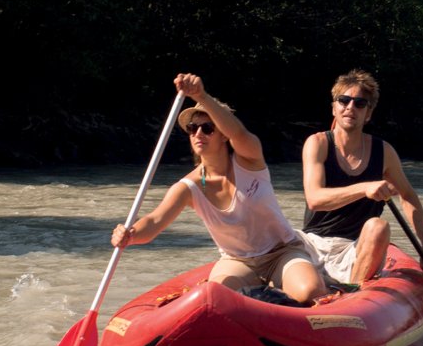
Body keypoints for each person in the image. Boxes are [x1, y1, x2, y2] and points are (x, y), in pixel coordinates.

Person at [111, 72, 327, 304]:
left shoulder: (250, 160)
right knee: (215, 300)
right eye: (193, 128)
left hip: (281, 252)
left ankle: (276, 290)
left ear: (223, 134)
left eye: (207, 128)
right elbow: (154, 222)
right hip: (237, 262)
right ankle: (264, 293)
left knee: (310, 292)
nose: (198, 134)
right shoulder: (188, 187)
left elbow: (239, 133)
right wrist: (130, 235)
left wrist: (201, 96)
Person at [300, 69, 423, 285]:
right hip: (313, 243)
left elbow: (408, 197)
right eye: (344, 100)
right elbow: (315, 199)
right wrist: (365, 188)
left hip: (355, 248)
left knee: (379, 226)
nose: (350, 107)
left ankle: (353, 293)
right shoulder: (318, 143)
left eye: (360, 103)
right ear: (334, 108)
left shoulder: (384, 152)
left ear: (369, 113)